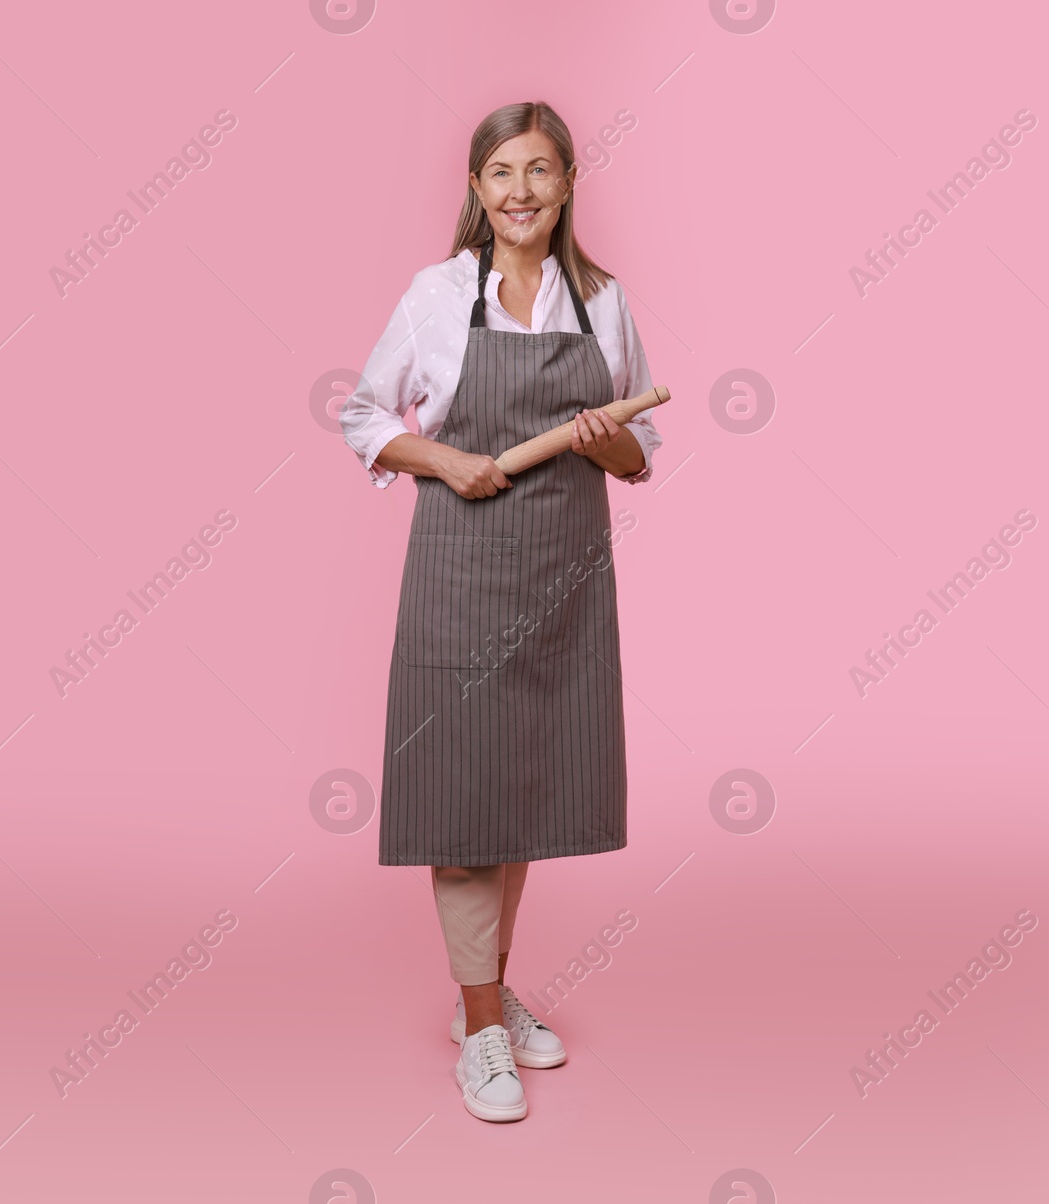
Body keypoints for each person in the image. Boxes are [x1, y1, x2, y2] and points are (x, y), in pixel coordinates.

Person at [339, 100, 661, 1123]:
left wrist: (605, 433)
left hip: (563, 581)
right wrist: (445, 459)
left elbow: (636, 460)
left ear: (567, 183)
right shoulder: (437, 296)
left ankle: (485, 995)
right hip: (460, 572)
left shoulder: (602, 300)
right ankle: (481, 1028)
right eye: (500, 174)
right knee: (462, 806)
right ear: (476, 191)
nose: (520, 191)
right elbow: (361, 413)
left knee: (519, 790)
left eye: (539, 171)